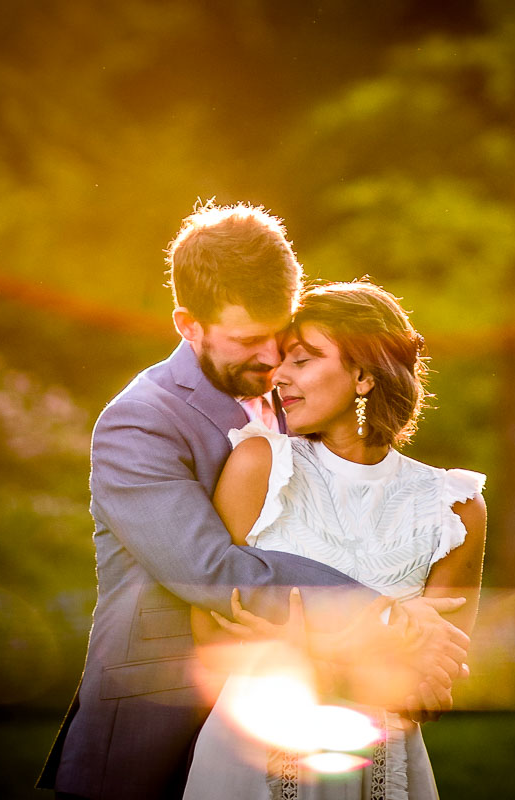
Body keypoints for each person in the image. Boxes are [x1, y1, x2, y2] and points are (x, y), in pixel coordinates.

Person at [40, 204, 469, 800]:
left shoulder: (301, 396)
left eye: (282, 333)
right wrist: (382, 613)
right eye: (247, 340)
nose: (271, 358)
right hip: (162, 719)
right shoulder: (139, 423)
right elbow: (209, 569)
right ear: (189, 325)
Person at [182, 280, 487, 799]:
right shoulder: (261, 465)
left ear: (364, 376)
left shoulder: (454, 507)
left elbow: (431, 693)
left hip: (381, 770)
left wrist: (300, 645)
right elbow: (210, 635)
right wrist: (367, 652)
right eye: (282, 361)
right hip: (252, 766)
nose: (277, 376)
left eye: (302, 360)